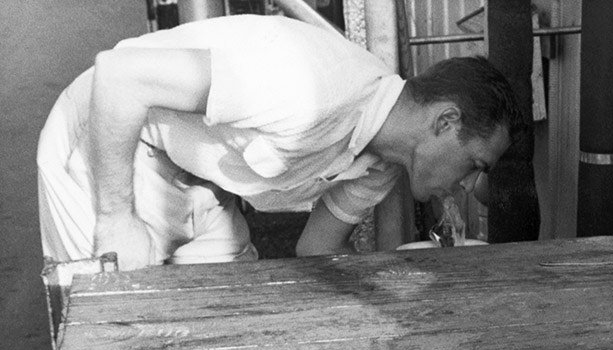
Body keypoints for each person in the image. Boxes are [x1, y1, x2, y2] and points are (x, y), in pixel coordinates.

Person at [37, 14, 524, 269]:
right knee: (117, 342)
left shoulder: (380, 167)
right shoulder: (307, 88)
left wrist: (396, 284)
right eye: (474, 163)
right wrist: (116, 218)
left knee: (226, 326)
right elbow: (121, 76)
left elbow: (317, 250)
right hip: (111, 143)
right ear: (445, 121)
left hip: (199, 175)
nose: (468, 185)